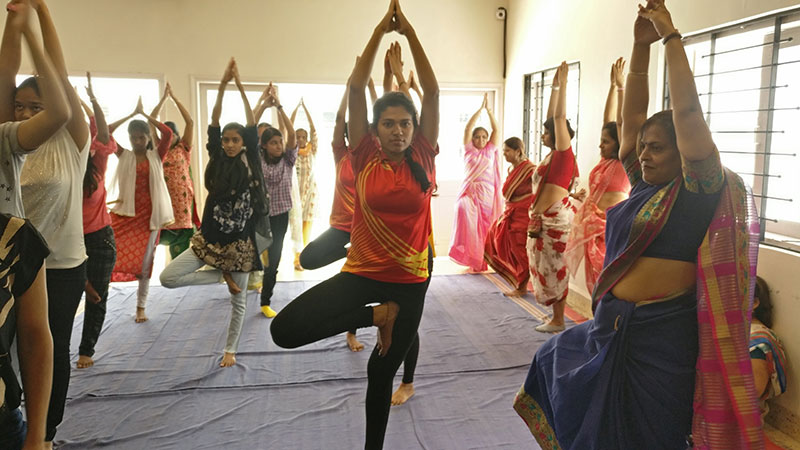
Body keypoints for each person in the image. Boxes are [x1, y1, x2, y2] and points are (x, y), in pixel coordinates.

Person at [513, 1, 763, 448]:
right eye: (643, 147)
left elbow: (686, 114)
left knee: (652, 433)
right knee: (558, 370)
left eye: (657, 148)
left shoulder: (696, 192)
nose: (644, 154)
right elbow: (632, 119)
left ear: (684, 153)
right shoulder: (644, 188)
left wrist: (670, 38)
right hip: (609, 330)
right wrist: (639, 47)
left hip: (661, 340)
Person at [271, 0, 439, 447]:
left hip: (411, 280)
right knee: (283, 331)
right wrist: (382, 29)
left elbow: (434, 90)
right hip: (362, 274)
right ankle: (377, 316)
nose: (398, 131)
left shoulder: (424, 155)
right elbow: (358, 82)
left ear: (415, 128)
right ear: (375, 129)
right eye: (388, 124)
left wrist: (411, 35)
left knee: (380, 371)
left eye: (405, 124)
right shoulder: (362, 154)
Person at [13, 0, 92, 445]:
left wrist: (42, 13)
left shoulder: (70, 140)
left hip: (60, 265)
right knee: (10, 352)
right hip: (13, 263)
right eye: (19, 105)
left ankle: (44, 433)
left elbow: (59, 77)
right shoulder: (11, 143)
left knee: (49, 350)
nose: (26, 114)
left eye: (35, 105)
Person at [160, 58, 271, 368]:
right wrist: (222, 85)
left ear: (244, 143)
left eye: (236, 140)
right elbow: (213, 118)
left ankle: (230, 350)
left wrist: (238, 84)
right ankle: (218, 276)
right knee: (168, 278)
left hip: (239, 244)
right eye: (226, 139)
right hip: (210, 238)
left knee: (239, 302)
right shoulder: (216, 156)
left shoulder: (251, 160)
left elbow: (250, 121)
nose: (231, 144)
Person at [564, 58, 631, 295]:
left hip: (612, 226)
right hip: (593, 224)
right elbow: (608, 120)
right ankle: (598, 320)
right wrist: (612, 87)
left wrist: (622, 88)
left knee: (611, 278)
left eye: (606, 141)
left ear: (619, 143)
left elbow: (622, 123)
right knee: (596, 280)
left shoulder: (625, 161)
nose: (600, 145)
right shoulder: (604, 163)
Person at [107, 97, 174, 323]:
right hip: (126, 216)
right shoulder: (123, 155)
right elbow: (106, 131)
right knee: (110, 256)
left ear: (148, 138)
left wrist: (146, 116)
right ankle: (99, 297)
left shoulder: (157, 155)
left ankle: (140, 307)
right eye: (134, 137)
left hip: (149, 219)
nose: (137, 141)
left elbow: (168, 134)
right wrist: (130, 114)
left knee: (145, 264)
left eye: (142, 136)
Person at [527, 62, 579, 333]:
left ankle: (559, 320)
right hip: (543, 220)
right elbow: (551, 117)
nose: (543, 134)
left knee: (556, 268)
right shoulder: (551, 155)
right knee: (545, 268)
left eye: (547, 132)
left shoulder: (564, 153)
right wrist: (553, 86)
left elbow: (558, 118)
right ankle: (554, 317)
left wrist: (563, 85)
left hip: (556, 221)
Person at [77, 72, 118, 370]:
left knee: (96, 297)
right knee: (71, 291)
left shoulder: (97, 163)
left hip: (100, 237)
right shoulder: (61, 167)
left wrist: (92, 100)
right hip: (67, 241)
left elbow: (102, 133)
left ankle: (86, 348)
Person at [254, 83, 297, 318]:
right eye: (273, 142)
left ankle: (265, 301)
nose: (278, 145)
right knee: (256, 256)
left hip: (280, 216)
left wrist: (279, 106)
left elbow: (291, 134)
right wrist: (262, 103)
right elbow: (249, 128)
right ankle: (250, 284)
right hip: (260, 216)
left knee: (274, 260)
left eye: (279, 142)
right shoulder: (258, 158)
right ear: (264, 145)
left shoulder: (288, 160)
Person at [449, 92, 502, 273]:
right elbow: (467, 129)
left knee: (484, 229)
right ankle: (472, 257)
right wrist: (479, 110)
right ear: (472, 139)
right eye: (477, 136)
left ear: (487, 139)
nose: (480, 139)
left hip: (487, 194)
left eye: (483, 137)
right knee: (465, 212)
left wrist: (489, 112)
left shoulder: (490, 150)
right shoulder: (469, 151)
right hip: (469, 192)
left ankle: (480, 261)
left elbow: (497, 131)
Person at [150, 83, 201, 259]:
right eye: (166, 134)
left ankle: (179, 273)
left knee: (180, 250)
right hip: (164, 203)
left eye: (173, 134)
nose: (169, 138)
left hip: (182, 205)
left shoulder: (183, 148)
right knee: (155, 240)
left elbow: (190, 122)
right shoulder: (159, 147)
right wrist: (163, 99)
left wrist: (174, 99)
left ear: (178, 136)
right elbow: (152, 119)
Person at [484, 137, 536, 296]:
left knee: (520, 250)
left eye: (507, 150)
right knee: (496, 239)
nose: (504, 153)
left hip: (523, 214)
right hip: (511, 212)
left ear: (518, 151)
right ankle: (518, 282)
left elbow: (542, 188)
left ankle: (522, 287)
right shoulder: (512, 169)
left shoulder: (530, 170)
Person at [749, 277, 787, 419]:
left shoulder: (757, 341)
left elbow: (753, 390)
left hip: (740, 423)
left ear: (754, 303)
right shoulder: (737, 332)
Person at [290, 98, 319, 247]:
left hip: (310, 194)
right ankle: (296, 256)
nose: (300, 139)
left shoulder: (311, 151)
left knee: (307, 226)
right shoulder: (291, 152)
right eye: (297, 137)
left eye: (303, 137)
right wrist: (295, 110)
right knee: (295, 227)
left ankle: (302, 257)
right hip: (295, 195)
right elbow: (287, 128)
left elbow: (313, 129)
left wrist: (305, 109)